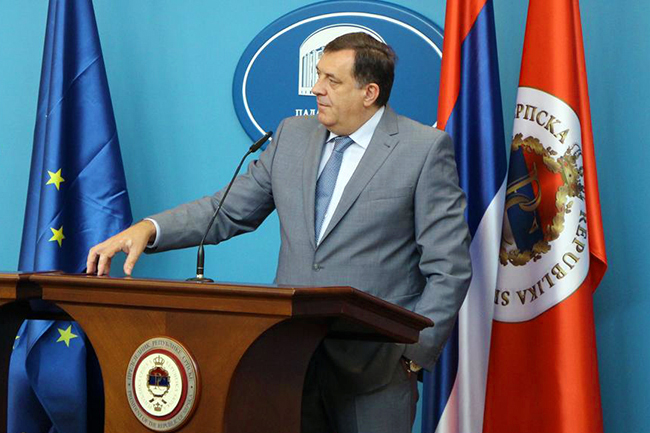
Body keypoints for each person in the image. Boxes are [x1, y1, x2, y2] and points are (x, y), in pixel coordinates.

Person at [87, 32, 471, 433]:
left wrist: (413, 354)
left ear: (369, 92)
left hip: (375, 372)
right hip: (288, 362)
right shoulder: (291, 135)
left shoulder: (423, 149)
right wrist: (150, 229)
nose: (316, 88)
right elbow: (227, 210)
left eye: (332, 80)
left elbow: (450, 267)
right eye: (318, 75)